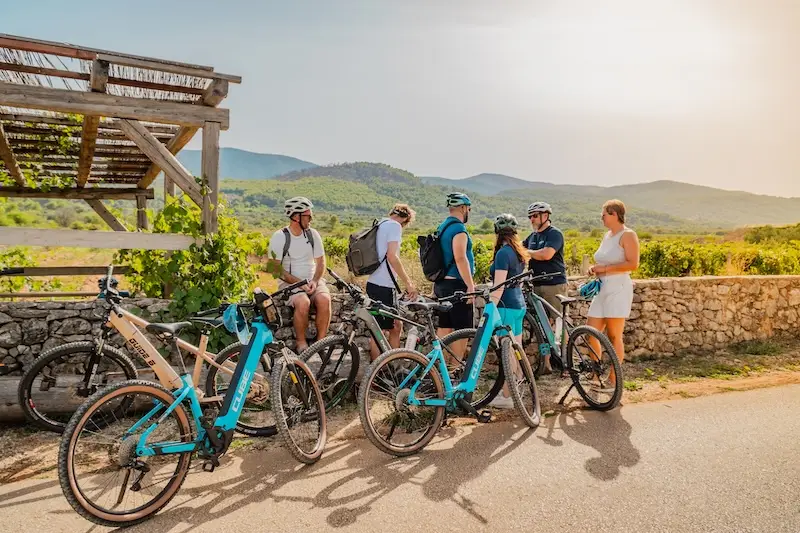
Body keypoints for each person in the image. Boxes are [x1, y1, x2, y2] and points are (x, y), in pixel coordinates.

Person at [267, 197, 332, 353]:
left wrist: (315, 281)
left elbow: (321, 263)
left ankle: (320, 343)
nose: (311, 219)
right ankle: (301, 344)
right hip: (289, 284)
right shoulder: (279, 236)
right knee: (303, 302)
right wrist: (300, 283)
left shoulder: (313, 234)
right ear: (296, 217)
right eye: (308, 216)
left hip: (312, 281)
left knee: (325, 299)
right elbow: (274, 268)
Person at [587, 199, 640, 384]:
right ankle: (595, 374)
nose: (601, 218)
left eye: (604, 214)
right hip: (602, 289)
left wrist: (604, 269)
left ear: (614, 214)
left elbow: (633, 264)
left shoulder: (628, 235)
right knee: (590, 333)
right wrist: (595, 268)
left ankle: (613, 378)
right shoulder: (607, 236)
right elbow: (605, 260)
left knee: (614, 335)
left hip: (618, 288)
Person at [366, 203, 419, 360]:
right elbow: (392, 256)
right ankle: (379, 374)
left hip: (375, 283)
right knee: (380, 331)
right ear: (405, 220)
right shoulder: (395, 226)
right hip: (383, 285)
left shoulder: (380, 224)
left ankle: (391, 366)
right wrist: (408, 283)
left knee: (395, 325)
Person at [486, 214, 528, 409]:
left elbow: (499, 286)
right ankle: (517, 389)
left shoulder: (503, 253)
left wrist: (490, 309)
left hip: (505, 307)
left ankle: (506, 396)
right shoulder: (518, 251)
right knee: (516, 349)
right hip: (519, 304)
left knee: (507, 352)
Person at [523, 201, 568, 373]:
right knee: (542, 326)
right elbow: (518, 248)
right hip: (536, 285)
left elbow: (546, 255)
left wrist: (526, 252)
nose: (532, 219)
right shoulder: (532, 237)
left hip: (554, 285)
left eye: (535, 216)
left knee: (558, 324)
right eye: (530, 216)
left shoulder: (554, 234)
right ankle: (546, 364)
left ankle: (565, 362)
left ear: (545, 216)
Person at [433, 192, 476, 364]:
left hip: (442, 285)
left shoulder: (442, 227)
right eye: (469, 209)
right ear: (464, 208)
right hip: (457, 286)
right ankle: (455, 371)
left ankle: (438, 372)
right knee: (462, 330)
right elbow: (460, 257)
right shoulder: (458, 229)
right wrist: (470, 286)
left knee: (444, 327)